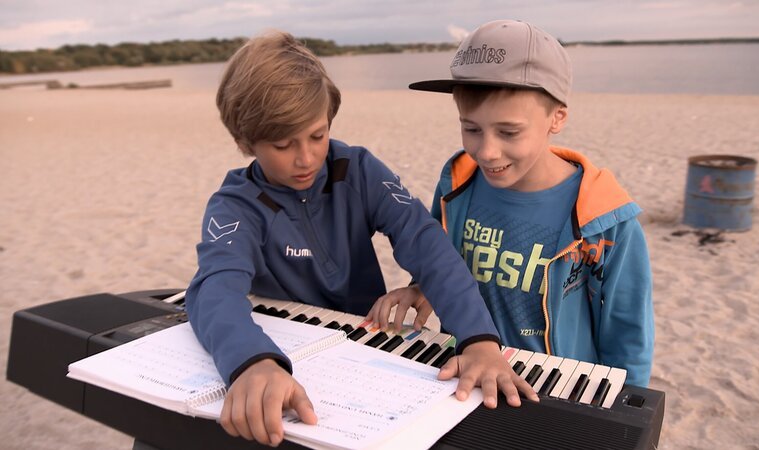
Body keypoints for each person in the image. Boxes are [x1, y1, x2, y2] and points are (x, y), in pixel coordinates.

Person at [184, 30, 536, 448]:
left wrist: (478, 338)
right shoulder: (235, 205)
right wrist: (250, 361)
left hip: (370, 348)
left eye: (318, 135)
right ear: (244, 141)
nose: (306, 158)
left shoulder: (357, 169)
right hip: (287, 355)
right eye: (282, 144)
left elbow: (426, 243)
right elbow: (213, 289)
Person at [367, 19, 654, 388]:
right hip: (468, 375)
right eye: (471, 128)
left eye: (509, 132)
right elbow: (440, 258)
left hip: (555, 388)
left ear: (557, 118)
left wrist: (625, 409)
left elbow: (628, 330)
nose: (487, 151)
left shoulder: (605, 218)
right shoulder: (457, 186)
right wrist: (421, 287)